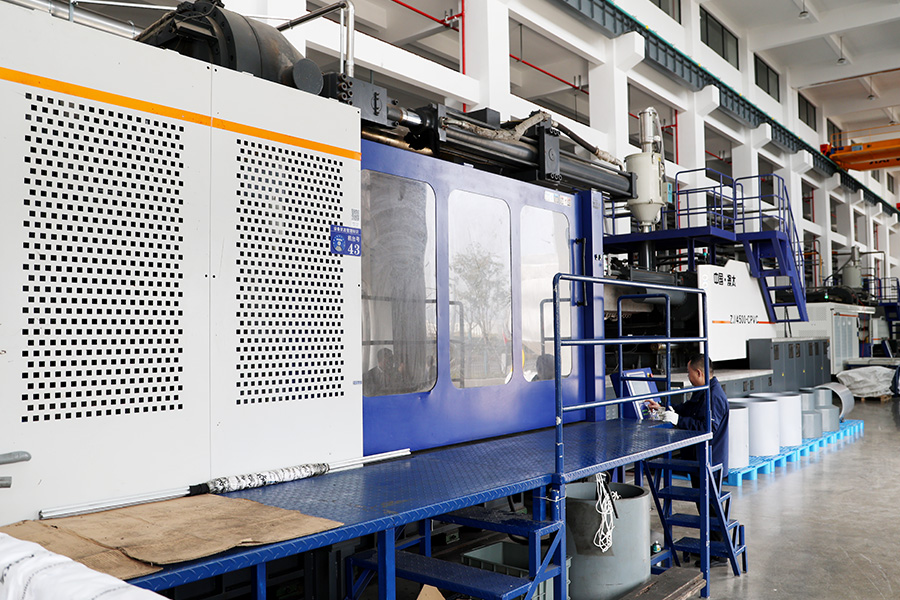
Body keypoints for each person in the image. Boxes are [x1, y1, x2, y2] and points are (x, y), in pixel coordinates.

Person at [645, 354, 730, 566]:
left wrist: (677, 420)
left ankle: (719, 554)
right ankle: (712, 547)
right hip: (700, 461)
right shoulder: (703, 391)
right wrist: (664, 409)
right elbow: (688, 408)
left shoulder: (714, 396)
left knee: (711, 508)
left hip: (711, 463)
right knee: (704, 506)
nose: (688, 377)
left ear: (699, 373)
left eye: (689, 373)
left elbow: (707, 428)